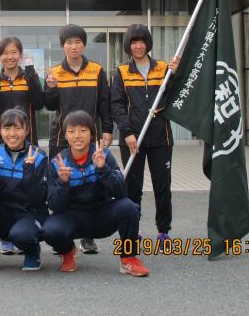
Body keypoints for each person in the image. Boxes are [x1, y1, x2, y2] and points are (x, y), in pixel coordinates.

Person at [42, 111, 149, 277]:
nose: (77, 136)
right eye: (71, 131)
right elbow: (55, 205)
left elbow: (121, 192)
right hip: (72, 218)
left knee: (129, 208)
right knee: (49, 229)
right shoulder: (57, 163)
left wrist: (102, 169)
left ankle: (129, 258)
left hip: (101, 215)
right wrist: (64, 183)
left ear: (92, 133)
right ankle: (68, 251)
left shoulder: (103, 155)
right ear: (65, 136)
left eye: (83, 130)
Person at [44, 24, 113, 255]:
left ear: (84, 44)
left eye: (77, 42)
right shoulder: (55, 72)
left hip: (88, 138)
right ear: (62, 45)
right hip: (61, 139)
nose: (73, 46)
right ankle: (63, 235)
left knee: (89, 183)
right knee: (60, 183)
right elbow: (49, 105)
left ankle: (87, 236)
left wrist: (107, 129)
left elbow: (104, 102)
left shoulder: (96, 70)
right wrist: (51, 88)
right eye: (69, 42)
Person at [111, 24, 179, 248]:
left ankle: (163, 231)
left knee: (162, 185)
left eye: (141, 41)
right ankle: (134, 230)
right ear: (128, 45)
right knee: (132, 187)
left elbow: (173, 95)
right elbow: (117, 105)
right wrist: (127, 133)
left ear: (148, 43)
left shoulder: (162, 68)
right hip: (132, 140)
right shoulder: (121, 71)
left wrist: (175, 74)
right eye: (133, 41)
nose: (138, 46)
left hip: (161, 137)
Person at [0, 108, 47, 275]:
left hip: (30, 214)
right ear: (0, 130)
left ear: (27, 130)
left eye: (18, 128)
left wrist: (29, 173)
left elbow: (39, 198)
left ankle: (32, 250)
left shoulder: (38, 156)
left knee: (20, 235)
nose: (12, 133)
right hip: (5, 214)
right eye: (7, 128)